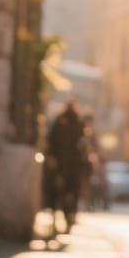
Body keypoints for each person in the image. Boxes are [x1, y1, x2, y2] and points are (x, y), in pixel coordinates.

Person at [45, 99, 86, 231]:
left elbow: (83, 142)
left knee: (67, 191)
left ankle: (69, 216)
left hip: (69, 163)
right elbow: (52, 140)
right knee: (63, 191)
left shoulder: (77, 122)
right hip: (65, 163)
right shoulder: (68, 121)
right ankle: (66, 217)